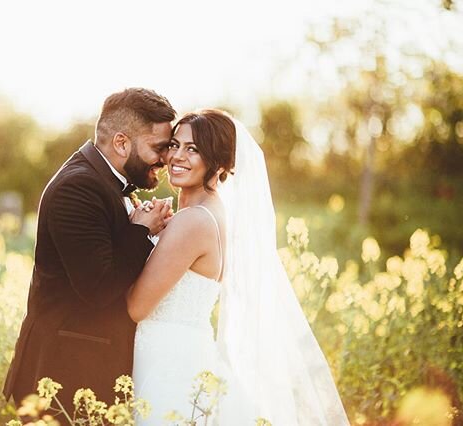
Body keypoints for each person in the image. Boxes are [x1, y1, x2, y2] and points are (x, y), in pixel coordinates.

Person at [127, 109, 350, 425]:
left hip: (167, 364)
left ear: (219, 163)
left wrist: (136, 233)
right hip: (186, 352)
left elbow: (137, 307)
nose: (177, 156)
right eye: (175, 145)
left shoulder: (192, 221)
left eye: (193, 149)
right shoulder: (210, 213)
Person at [3, 88, 176, 415]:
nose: (166, 159)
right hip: (64, 374)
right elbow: (98, 288)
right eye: (159, 148)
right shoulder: (78, 188)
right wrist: (141, 231)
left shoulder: (108, 181)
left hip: (86, 371)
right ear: (122, 143)